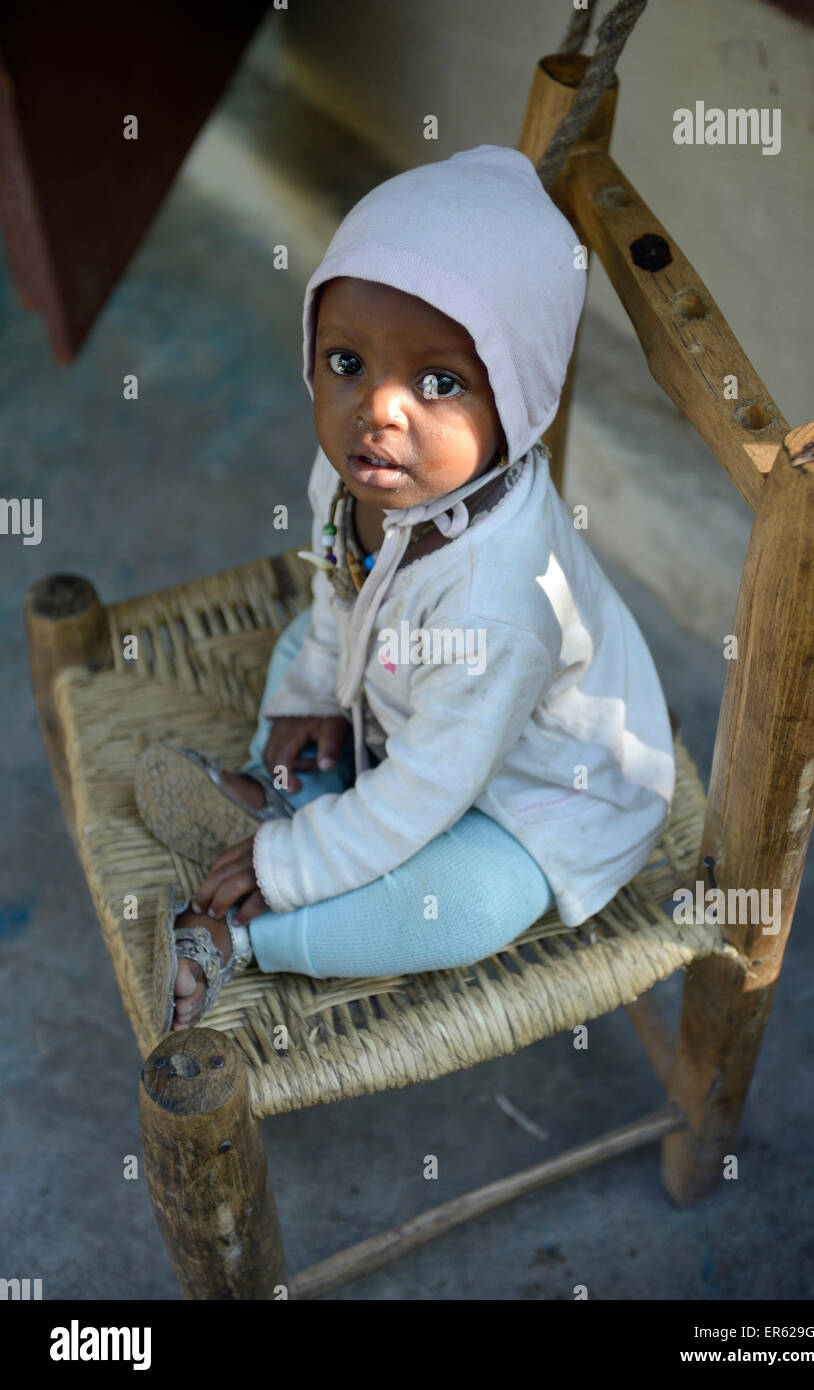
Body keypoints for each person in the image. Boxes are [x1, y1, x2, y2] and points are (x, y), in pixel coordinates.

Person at [135, 145, 677, 1034]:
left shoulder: (499, 602)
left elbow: (433, 788)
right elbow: (336, 596)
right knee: (302, 649)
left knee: (472, 904)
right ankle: (284, 796)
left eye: (438, 383)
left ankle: (244, 928)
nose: (377, 410)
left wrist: (293, 869)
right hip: (409, 705)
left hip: (531, 792)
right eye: (346, 362)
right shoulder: (356, 477)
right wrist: (314, 688)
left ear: (522, 399)